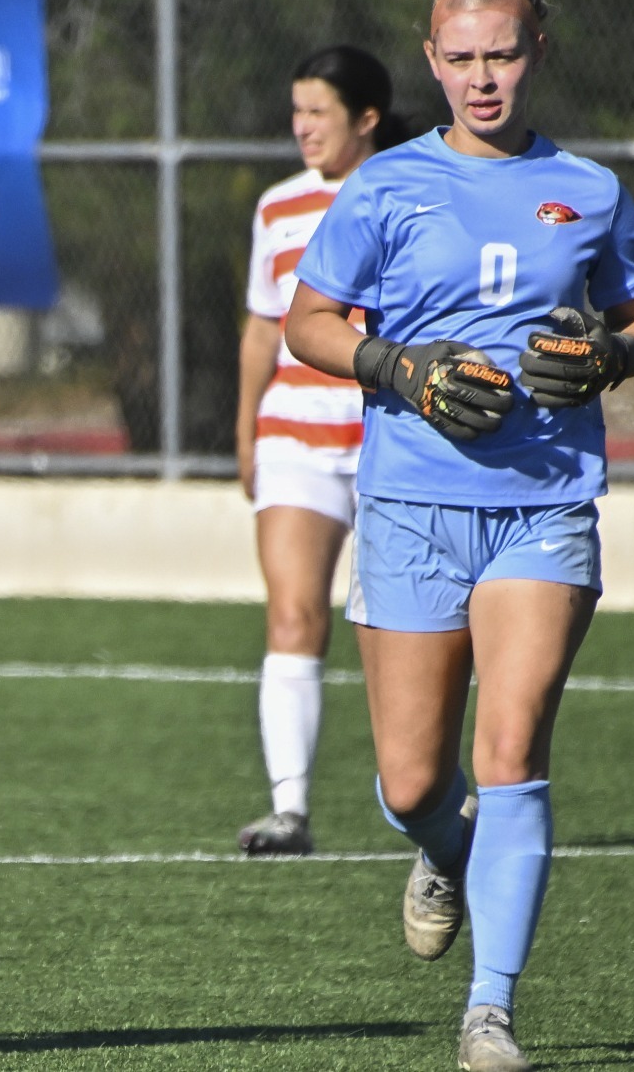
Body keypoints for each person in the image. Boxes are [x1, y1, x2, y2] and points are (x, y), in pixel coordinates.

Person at [285, 0, 634, 1072]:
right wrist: (393, 368)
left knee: (510, 747)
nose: (480, 77)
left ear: (534, 51)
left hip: (541, 505)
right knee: (410, 783)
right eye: (459, 58)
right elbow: (310, 320)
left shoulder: (588, 189)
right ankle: (440, 848)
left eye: (500, 54)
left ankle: (488, 1012)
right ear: (429, 60)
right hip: (406, 503)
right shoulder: (384, 184)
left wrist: (605, 355)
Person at [234, 46, 411, 856]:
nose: (302, 127)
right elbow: (265, 326)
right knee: (293, 611)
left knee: (404, 626)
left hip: (393, 437)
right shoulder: (277, 207)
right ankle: (289, 809)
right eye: (296, 110)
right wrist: (246, 430)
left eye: (319, 112)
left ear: (366, 119)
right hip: (293, 439)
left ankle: (425, 800)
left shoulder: (412, 190)